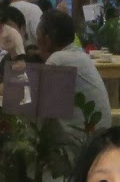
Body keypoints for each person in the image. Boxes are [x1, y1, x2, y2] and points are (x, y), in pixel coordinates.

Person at [36, 9, 111, 140]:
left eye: (38, 34)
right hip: (101, 138)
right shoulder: (79, 55)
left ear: (47, 39)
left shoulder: (57, 60)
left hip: (81, 143)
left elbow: (42, 114)